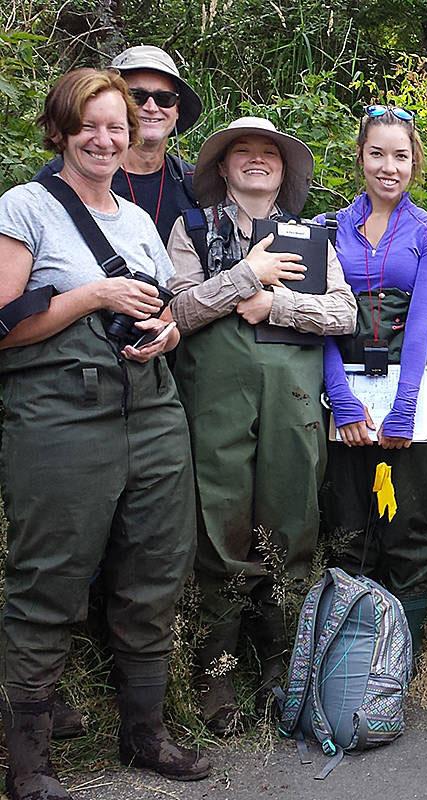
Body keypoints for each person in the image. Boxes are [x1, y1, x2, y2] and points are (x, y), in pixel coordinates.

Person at [0, 68, 209, 800]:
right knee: (49, 578)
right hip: (60, 415)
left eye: (117, 126)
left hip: (152, 411)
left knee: (154, 572)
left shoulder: (138, 219)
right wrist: (93, 293)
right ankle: (28, 761)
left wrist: (166, 331)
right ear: (60, 128)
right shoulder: (24, 207)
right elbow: (5, 324)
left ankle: (143, 732)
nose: (105, 137)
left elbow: (163, 313)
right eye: (90, 124)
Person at [166, 116, 355, 734]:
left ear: (283, 171)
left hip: (293, 398)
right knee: (219, 525)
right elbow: (179, 311)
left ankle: (284, 666)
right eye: (239, 151)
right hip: (216, 398)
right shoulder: (190, 228)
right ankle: (215, 671)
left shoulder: (311, 237)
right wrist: (247, 276)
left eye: (266, 153)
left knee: (292, 521)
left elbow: (344, 312)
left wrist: (278, 303)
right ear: (222, 168)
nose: (254, 159)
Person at [318, 106, 427, 659]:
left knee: (409, 521)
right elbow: (320, 316)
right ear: (361, 158)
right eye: (378, 153)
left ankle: (403, 658)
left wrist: (405, 409)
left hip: (406, 387)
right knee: (349, 520)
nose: (388, 166)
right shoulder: (326, 228)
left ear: (415, 161)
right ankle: (350, 652)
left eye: (400, 155)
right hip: (343, 386)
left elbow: (422, 325)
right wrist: (340, 399)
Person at [34, 45, 202, 244]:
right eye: (136, 96)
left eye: (164, 99)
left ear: (177, 110)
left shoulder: (196, 184)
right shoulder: (65, 176)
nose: (151, 107)